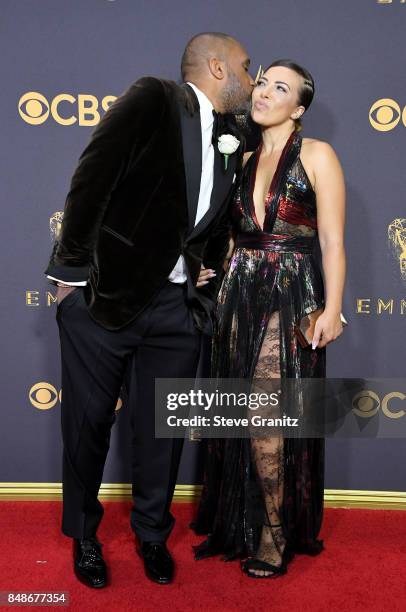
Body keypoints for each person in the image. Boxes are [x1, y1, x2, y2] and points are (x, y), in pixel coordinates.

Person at [45, 32, 255, 587]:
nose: (251, 76)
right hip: (104, 301)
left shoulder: (233, 135)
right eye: (246, 65)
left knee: (162, 432)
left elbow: (205, 215)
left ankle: (152, 535)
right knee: (87, 425)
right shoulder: (153, 99)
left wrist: (202, 275)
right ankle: (85, 537)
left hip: (176, 310)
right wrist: (69, 276)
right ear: (217, 65)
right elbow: (91, 180)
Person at [192, 59, 346, 578]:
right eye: (261, 82)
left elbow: (332, 241)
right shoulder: (240, 157)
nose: (263, 92)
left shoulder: (318, 154)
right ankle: (242, 520)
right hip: (239, 291)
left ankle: (274, 533)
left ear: (298, 108)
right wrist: (205, 270)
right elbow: (229, 232)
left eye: (280, 88)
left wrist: (334, 307)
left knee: (268, 415)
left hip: (290, 289)